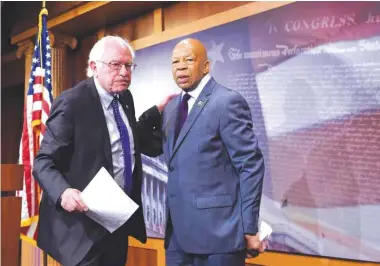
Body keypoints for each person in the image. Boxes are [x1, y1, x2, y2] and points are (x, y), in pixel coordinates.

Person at [33, 36, 174, 266]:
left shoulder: (124, 97)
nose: (124, 72)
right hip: (82, 231)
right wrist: (63, 193)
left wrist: (155, 113)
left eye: (128, 65)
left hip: (116, 224)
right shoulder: (72, 102)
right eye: (115, 65)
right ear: (93, 67)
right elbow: (43, 161)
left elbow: (127, 140)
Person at [162, 38, 266, 266]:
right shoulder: (170, 109)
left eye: (188, 60)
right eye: (175, 62)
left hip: (219, 237)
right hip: (177, 239)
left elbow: (250, 165)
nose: (180, 66)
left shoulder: (226, 102)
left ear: (206, 66)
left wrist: (249, 227)